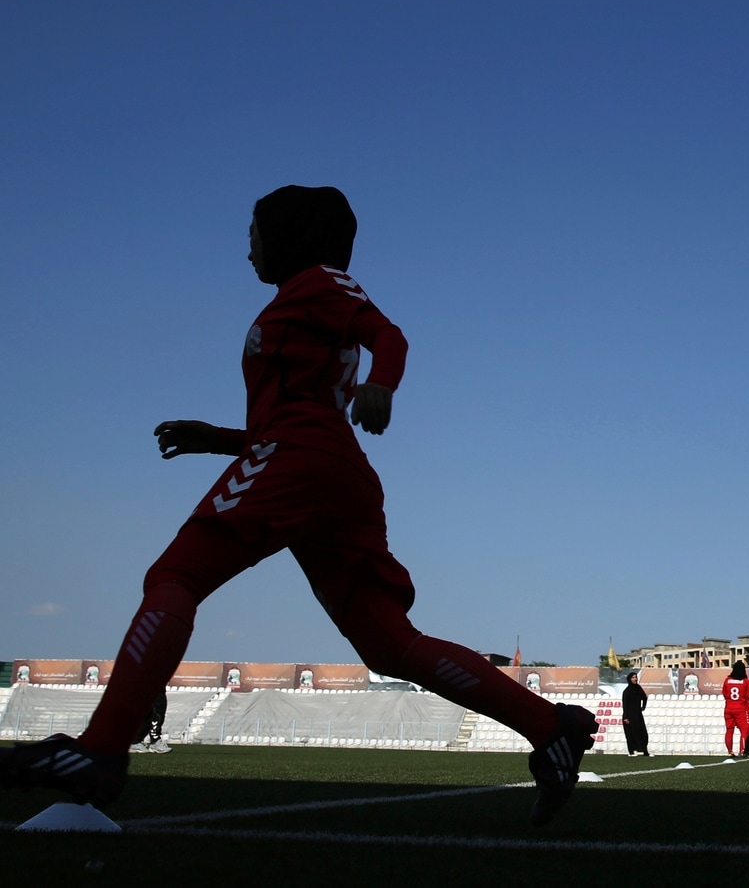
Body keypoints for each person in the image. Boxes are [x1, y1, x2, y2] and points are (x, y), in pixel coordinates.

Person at [0, 187, 597, 824]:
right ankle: (549, 725)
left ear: (289, 235)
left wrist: (380, 386)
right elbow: (299, 404)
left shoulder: (320, 281)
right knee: (389, 643)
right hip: (327, 469)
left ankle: (99, 750)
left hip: (302, 457)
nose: (247, 246)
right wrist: (219, 440)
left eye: (254, 231)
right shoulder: (300, 298)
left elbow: (388, 337)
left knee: (175, 576)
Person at [722, 660, 749, 755]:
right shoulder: (745, 682)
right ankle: (743, 751)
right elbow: (748, 695)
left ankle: (730, 751)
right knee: (744, 730)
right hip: (740, 708)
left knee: (729, 730)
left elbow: (724, 693)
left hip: (728, 708)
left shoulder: (727, 680)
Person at [621, 671, 650, 756]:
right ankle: (631, 751)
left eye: (636, 677)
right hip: (629, 715)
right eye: (633, 677)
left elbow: (644, 697)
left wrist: (643, 707)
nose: (635, 679)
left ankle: (645, 751)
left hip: (637, 715)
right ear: (629, 679)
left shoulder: (638, 688)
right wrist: (626, 717)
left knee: (642, 733)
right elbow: (625, 705)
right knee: (630, 734)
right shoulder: (626, 691)